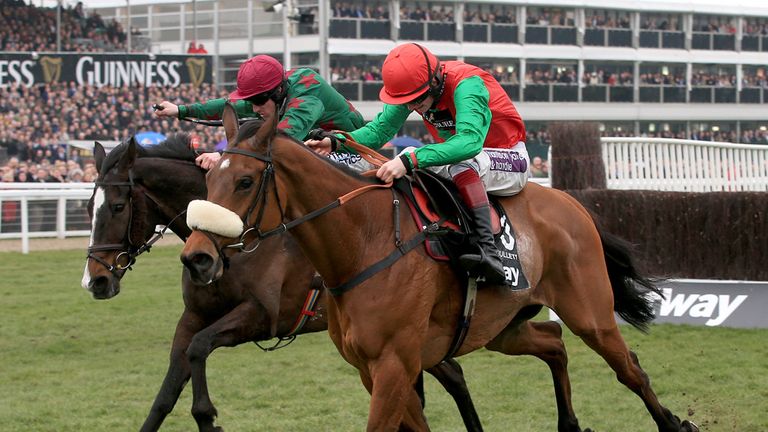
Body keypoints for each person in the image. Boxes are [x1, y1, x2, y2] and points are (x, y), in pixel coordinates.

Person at [306, 43, 530, 284]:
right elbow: (378, 132)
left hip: (509, 158)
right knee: (400, 159)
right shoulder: (415, 88)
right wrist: (337, 141)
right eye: (407, 101)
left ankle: (488, 251)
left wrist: (410, 159)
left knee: (445, 160)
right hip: (462, 159)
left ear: (434, 81)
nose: (412, 107)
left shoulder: (467, 84)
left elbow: (469, 142)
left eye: (416, 100)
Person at [154, 55, 365, 169]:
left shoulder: (306, 101)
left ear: (279, 91)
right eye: (250, 100)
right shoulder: (271, 94)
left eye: (257, 101)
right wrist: (179, 110)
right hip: (319, 145)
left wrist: (222, 156)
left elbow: (276, 139)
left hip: (354, 153)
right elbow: (227, 105)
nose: (254, 108)